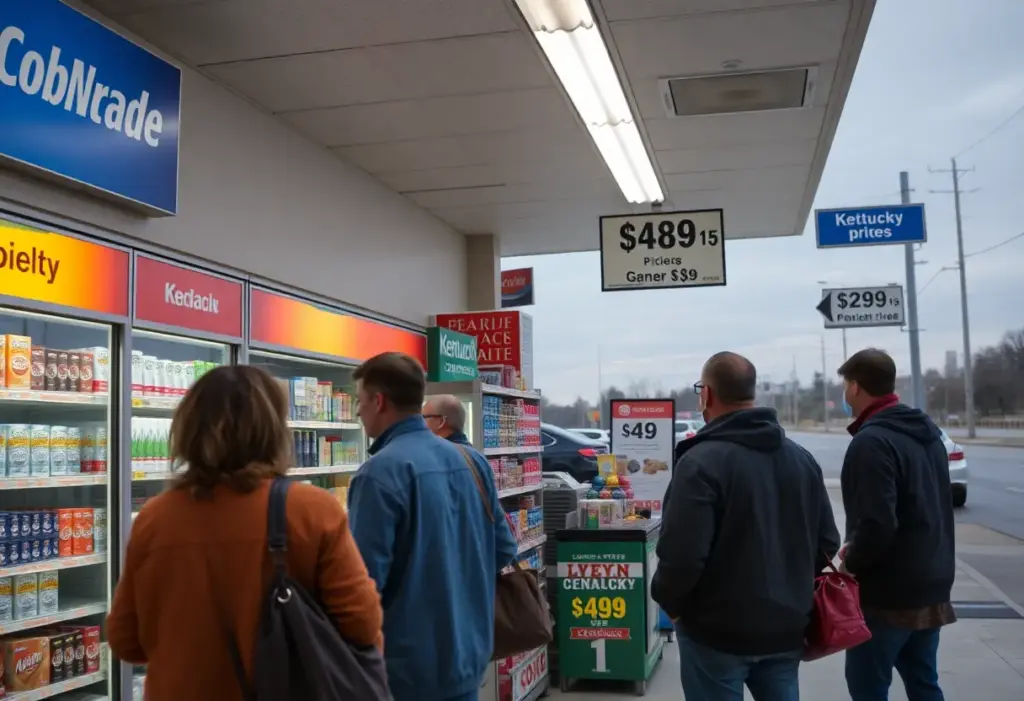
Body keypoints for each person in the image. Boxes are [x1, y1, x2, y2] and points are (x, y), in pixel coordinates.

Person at [106, 366, 383, 699]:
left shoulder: (154, 518)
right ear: (273, 430)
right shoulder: (312, 510)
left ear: (188, 428)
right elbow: (363, 624)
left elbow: (126, 640)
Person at [652, 351, 840, 701]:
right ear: (751, 393)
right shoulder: (800, 459)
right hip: (786, 629)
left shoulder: (700, 463)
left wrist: (670, 602)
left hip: (715, 633)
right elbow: (828, 542)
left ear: (706, 395)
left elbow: (682, 556)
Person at [348, 353, 519, 701]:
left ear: (378, 402)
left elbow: (364, 585)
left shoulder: (379, 473)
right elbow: (504, 548)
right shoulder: (472, 462)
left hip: (406, 671)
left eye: (360, 401)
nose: (358, 412)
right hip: (469, 656)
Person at [837, 348, 956, 701]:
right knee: (924, 683)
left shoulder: (872, 442)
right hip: (931, 585)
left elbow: (877, 523)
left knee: (867, 686)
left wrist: (850, 564)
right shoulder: (928, 434)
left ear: (856, 387)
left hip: (886, 595)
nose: (844, 394)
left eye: (845, 386)